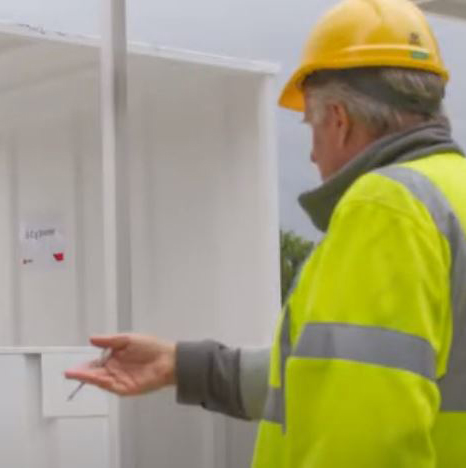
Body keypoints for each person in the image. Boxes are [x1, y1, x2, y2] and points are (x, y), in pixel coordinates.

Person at [65, 0, 466, 466]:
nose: (312, 155)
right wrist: (179, 364)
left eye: (309, 126)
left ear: (338, 119)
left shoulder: (386, 206)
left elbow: (360, 437)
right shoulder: (449, 195)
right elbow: (324, 379)